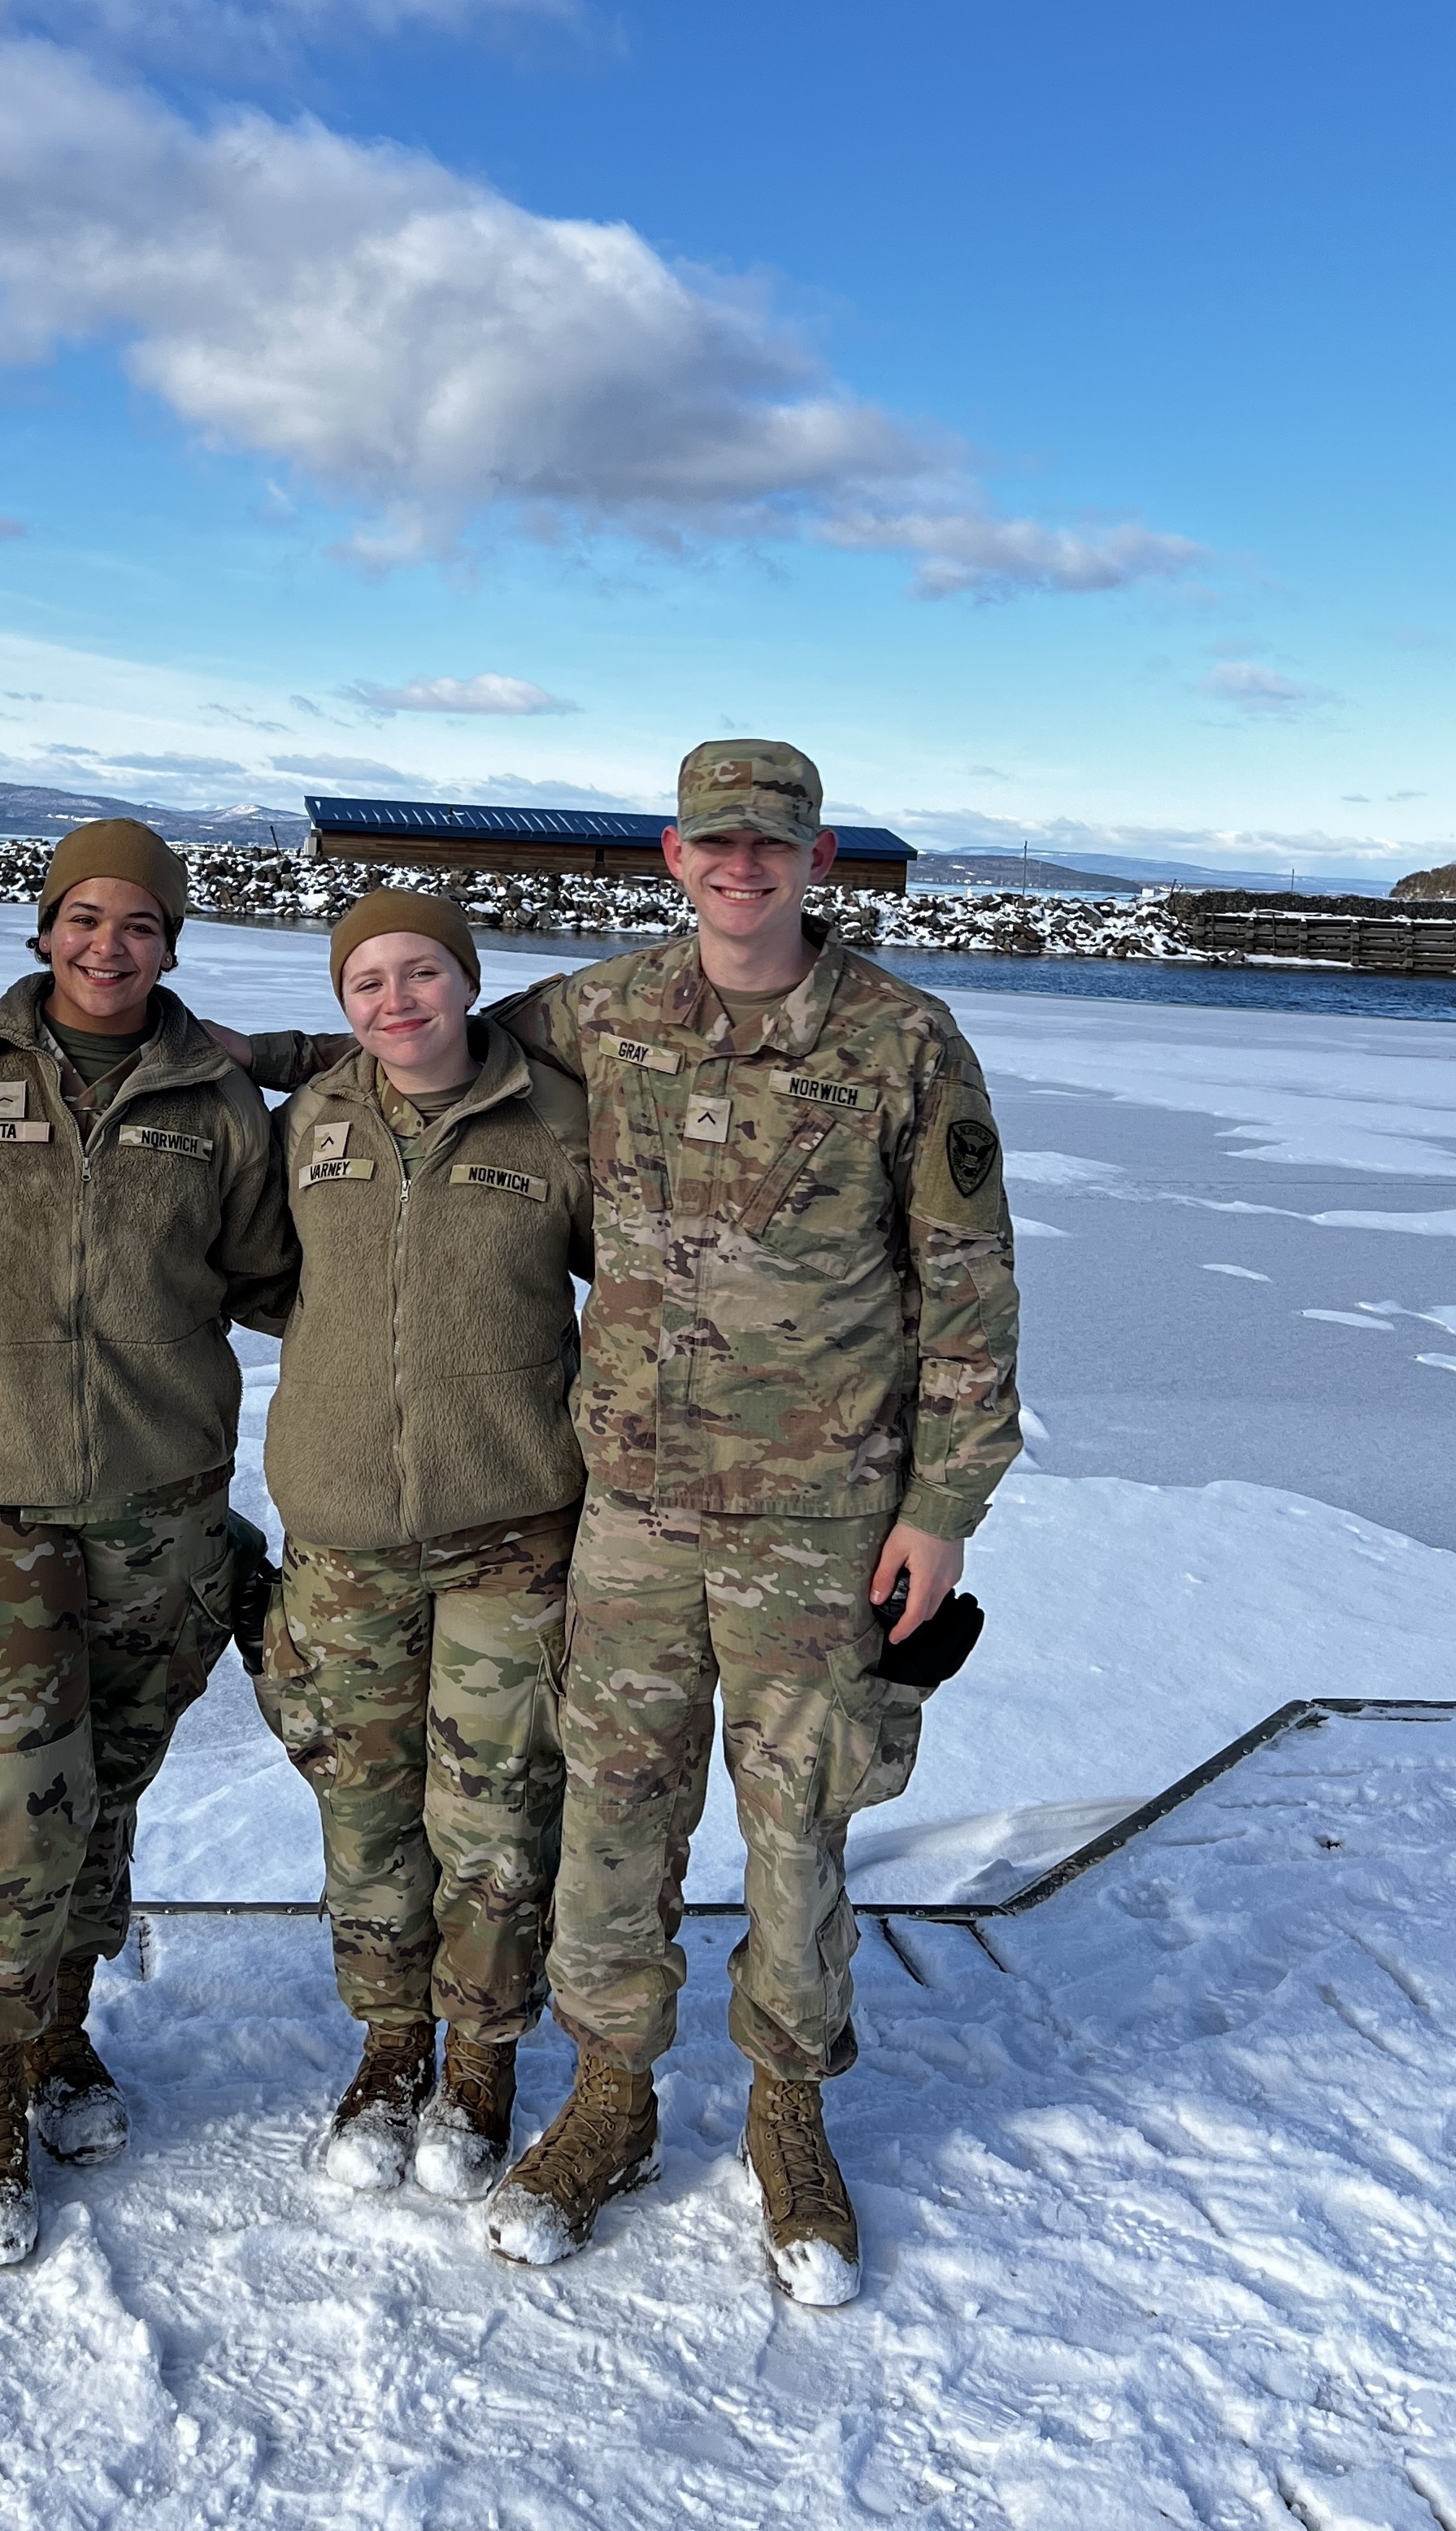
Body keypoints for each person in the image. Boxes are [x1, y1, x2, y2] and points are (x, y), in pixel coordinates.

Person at [478, 739, 1019, 2305]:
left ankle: (790, 2116)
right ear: (673, 854)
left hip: (821, 1519)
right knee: (613, 1820)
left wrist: (945, 1503)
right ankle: (611, 2100)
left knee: (799, 1831)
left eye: (772, 846)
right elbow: (431, 1040)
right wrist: (227, 1047)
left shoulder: (907, 1043)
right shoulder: (603, 1011)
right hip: (635, 1510)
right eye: (717, 843)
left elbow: (969, 1286)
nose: (743, 868)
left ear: (818, 860)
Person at [0, 817, 295, 2268]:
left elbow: (278, 1277)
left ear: (175, 944)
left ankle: (60, 2033)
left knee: (107, 1783)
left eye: (141, 925)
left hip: (157, 1496)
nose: (109, 947)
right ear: (43, 926)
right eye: (85, 919)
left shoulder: (218, 1098)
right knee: (1, 1803)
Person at [250, 889, 593, 2202]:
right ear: (344, 1005)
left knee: (498, 1814)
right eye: (368, 983)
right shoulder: (312, 1124)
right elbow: (261, 1272)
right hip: (343, 1537)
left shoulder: (555, 1122)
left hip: (512, 1533)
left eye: (422, 973)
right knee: (366, 1807)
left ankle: (484, 2062)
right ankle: (393, 2047)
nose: (397, 1001)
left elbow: (622, 1294)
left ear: (468, 979)